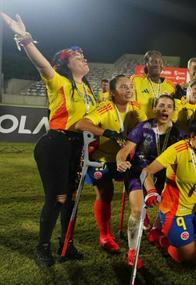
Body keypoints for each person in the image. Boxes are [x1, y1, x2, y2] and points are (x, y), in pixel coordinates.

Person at [2, 13, 98, 266]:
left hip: (77, 146)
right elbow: (42, 65)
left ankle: (67, 245)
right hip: (56, 144)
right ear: (66, 64)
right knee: (57, 198)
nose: (84, 59)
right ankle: (42, 248)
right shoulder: (59, 82)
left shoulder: (88, 90)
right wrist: (24, 38)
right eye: (79, 58)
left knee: (72, 199)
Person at [140, 118, 196, 263]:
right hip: (176, 212)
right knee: (190, 258)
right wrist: (151, 191)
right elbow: (146, 171)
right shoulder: (177, 150)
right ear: (192, 137)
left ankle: (161, 231)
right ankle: (161, 239)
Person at [75, 75, 147, 254]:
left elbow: (146, 128)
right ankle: (105, 235)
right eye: (123, 87)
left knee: (139, 188)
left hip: (127, 158)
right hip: (104, 158)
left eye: (130, 86)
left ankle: (141, 221)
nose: (129, 89)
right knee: (105, 194)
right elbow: (81, 123)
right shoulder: (105, 107)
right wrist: (107, 132)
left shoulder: (137, 107)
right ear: (113, 93)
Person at [116, 94, 186, 268]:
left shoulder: (179, 133)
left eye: (169, 106)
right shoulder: (143, 127)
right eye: (161, 106)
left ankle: (155, 231)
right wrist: (120, 160)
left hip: (163, 176)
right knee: (138, 210)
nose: (164, 109)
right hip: (137, 173)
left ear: (173, 111)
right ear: (155, 108)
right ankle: (132, 251)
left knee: (169, 209)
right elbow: (125, 150)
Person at [131, 50, 175, 119]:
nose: (157, 64)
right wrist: (145, 123)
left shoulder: (170, 86)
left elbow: (172, 111)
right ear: (146, 64)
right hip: (139, 127)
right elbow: (132, 103)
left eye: (160, 62)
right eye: (153, 61)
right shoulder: (136, 80)